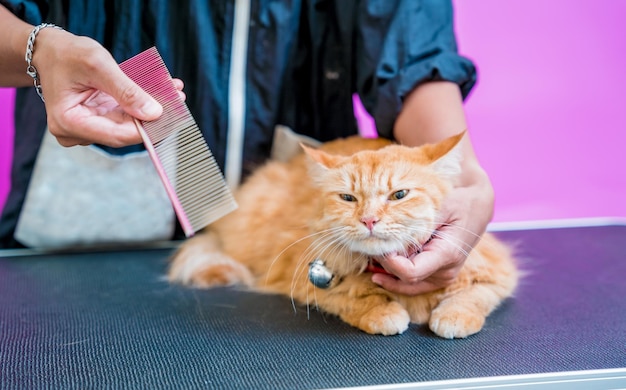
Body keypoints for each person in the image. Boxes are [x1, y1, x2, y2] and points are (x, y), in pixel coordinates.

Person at [0, 0, 494, 296]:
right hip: (83, 240)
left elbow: (411, 44)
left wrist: (461, 177)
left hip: (288, 239)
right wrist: (38, 50)